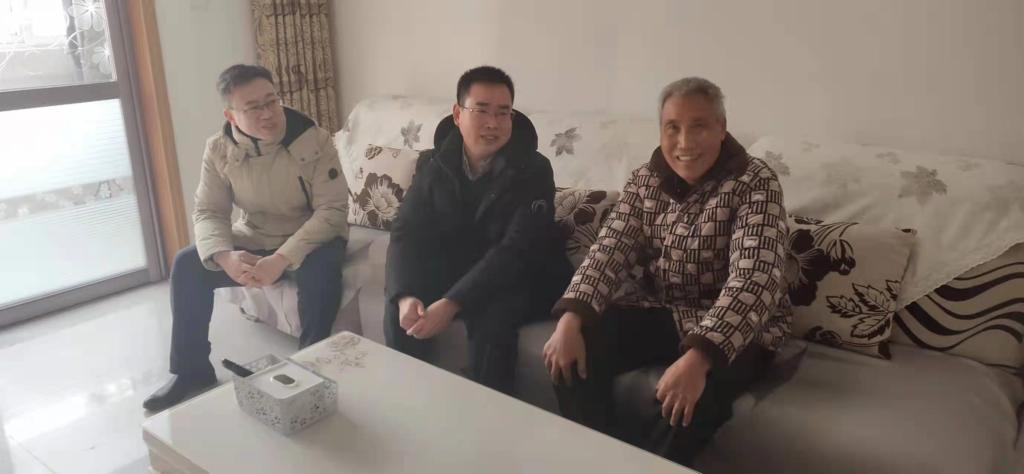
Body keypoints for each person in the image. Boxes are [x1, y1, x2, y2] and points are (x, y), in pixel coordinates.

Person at [542, 77, 792, 466]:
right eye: (672, 127)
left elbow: (754, 279)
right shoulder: (646, 179)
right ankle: (598, 462)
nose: (684, 142)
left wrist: (699, 357)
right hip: (666, 310)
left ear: (722, 128)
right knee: (574, 353)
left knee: (691, 403)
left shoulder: (755, 181)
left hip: (742, 328)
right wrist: (571, 318)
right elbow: (609, 250)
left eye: (699, 126)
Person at [143, 64, 349, 412]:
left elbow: (332, 211)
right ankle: (191, 370)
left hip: (312, 236)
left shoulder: (314, 140)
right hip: (256, 234)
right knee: (188, 264)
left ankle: (310, 369)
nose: (268, 113)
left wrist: (280, 259)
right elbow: (209, 211)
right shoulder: (218, 149)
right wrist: (225, 257)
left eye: (272, 101)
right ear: (231, 115)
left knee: (321, 273)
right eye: (253, 107)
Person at [384, 66, 572, 394]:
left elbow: (516, 250)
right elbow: (406, 231)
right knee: (402, 307)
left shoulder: (534, 169)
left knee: (491, 317)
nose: (493, 123)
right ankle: (409, 397)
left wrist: (453, 301)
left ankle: (490, 412)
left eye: (503, 113)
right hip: (461, 267)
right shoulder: (433, 163)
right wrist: (405, 295)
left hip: (525, 275)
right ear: (458, 115)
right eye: (481, 110)